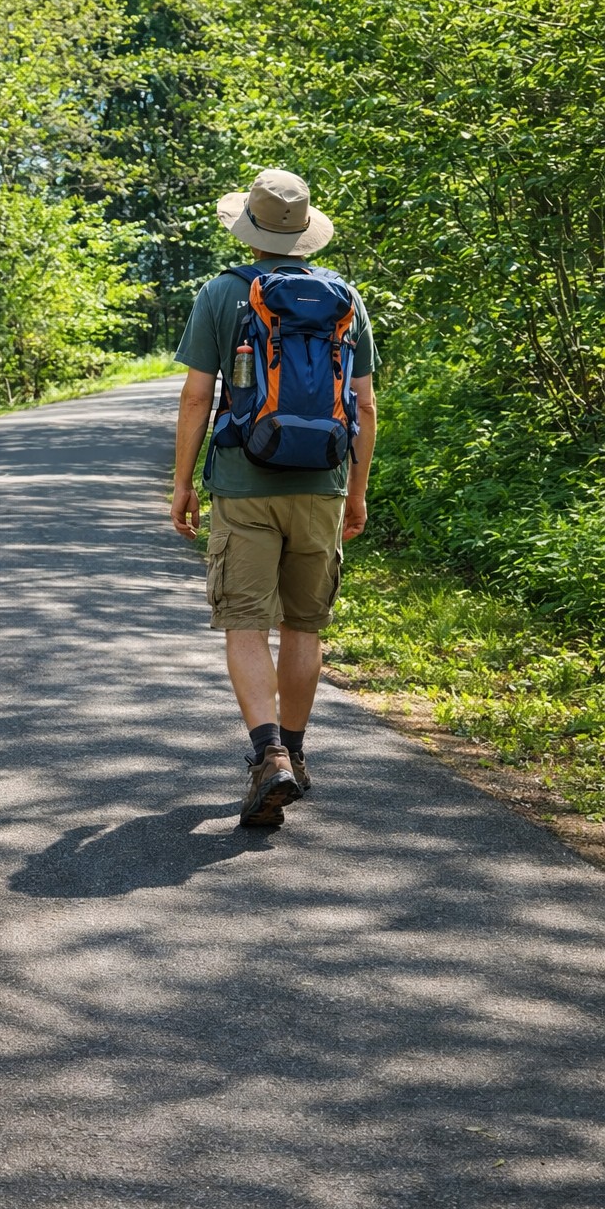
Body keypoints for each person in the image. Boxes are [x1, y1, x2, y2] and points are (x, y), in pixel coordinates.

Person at [170, 168, 378, 826]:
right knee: (302, 625)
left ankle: (269, 756)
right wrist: (356, 493)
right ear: (304, 232)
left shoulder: (221, 293)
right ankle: (294, 748)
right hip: (322, 483)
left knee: (245, 622)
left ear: (249, 230)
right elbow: (365, 406)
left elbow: (197, 397)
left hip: (243, 483)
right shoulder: (345, 298)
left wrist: (182, 483)